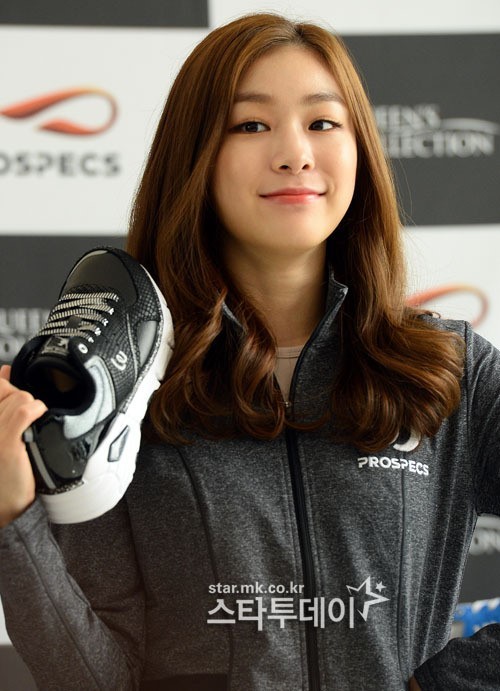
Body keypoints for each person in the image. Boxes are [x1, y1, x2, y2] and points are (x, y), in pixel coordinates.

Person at [0, 11, 499, 691]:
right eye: (251, 125)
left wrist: (448, 683)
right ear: (195, 155)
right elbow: (98, 677)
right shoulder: (119, 381)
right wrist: (15, 522)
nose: (295, 153)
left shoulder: (450, 369)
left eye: (322, 122)